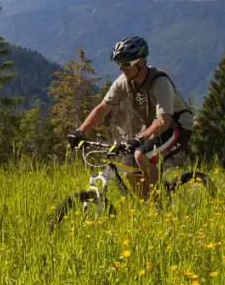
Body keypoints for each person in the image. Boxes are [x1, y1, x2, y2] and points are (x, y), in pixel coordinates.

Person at [66, 36, 195, 198]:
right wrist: (80, 131)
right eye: (119, 64)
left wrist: (139, 139)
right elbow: (102, 108)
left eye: (126, 64)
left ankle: (162, 200)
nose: (121, 69)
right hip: (155, 127)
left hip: (177, 127)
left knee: (141, 155)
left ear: (141, 62)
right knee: (128, 170)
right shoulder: (124, 82)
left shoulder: (159, 82)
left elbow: (164, 121)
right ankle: (147, 207)